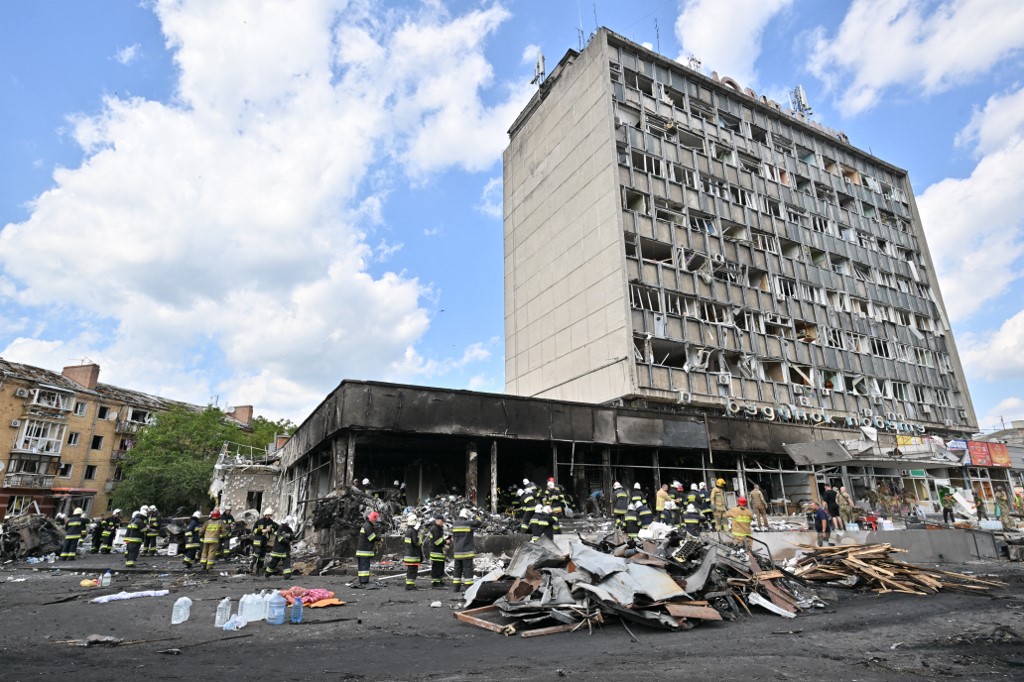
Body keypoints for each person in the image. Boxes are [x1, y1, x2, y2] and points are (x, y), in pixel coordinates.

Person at [451, 508, 480, 593]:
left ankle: (456, 588)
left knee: (457, 569)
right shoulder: (468, 523)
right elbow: (479, 522)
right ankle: (468, 588)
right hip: (466, 552)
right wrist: (475, 516)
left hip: (457, 552)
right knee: (467, 569)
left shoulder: (455, 524)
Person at [353, 511, 381, 588]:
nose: (376, 521)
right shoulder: (368, 526)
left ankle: (362, 580)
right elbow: (371, 538)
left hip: (361, 550)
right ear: (373, 518)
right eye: (375, 519)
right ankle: (364, 581)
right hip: (364, 551)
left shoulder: (366, 525)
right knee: (365, 567)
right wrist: (379, 539)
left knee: (362, 567)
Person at [251, 507, 278, 574]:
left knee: (262, 556)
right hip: (258, 539)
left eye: (270, 515)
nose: (268, 517)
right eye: (267, 515)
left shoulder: (271, 522)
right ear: (265, 515)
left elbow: (276, 527)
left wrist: (271, 530)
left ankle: (258, 570)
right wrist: (261, 530)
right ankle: (252, 564)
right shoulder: (259, 521)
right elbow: (254, 530)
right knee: (257, 552)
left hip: (264, 540)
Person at [402, 514, 422, 590]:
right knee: (413, 571)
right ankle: (410, 585)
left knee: (410, 571)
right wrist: (420, 538)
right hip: (413, 555)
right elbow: (416, 543)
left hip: (408, 554)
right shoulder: (413, 531)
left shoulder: (408, 531)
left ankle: (409, 584)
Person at [428, 514, 448, 589]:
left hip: (439, 552)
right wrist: (446, 542)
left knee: (440, 566)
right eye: (442, 521)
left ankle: (439, 580)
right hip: (436, 552)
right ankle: (435, 582)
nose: (443, 523)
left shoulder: (438, 528)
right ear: (438, 521)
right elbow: (437, 541)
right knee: (437, 567)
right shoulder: (435, 529)